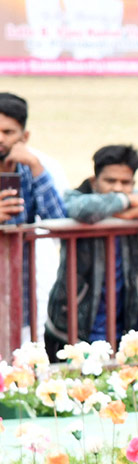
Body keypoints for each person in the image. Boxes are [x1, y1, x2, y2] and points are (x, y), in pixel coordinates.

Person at [44, 145, 138, 355]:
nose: (117, 187)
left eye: (125, 183)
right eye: (110, 181)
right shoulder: (78, 197)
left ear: (134, 184)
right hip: (73, 327)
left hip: (123, 327)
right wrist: (124, 201)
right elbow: (80, 209)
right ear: (94, 181)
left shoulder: (137, 203)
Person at [0, 91, 65, 332]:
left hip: (20, 286)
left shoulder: (36, 167)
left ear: (24, 137)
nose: (1, 138)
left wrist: (36, 168)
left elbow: (59, 223)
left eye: (8, 132)